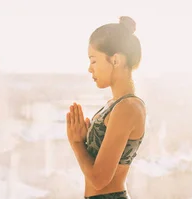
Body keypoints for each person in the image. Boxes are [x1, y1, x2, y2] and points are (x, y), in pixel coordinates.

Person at [66, 16, 146, 199]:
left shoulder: (128, 108)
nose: (89, 68)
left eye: (93, 60)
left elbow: (99, 180)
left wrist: (77, 143)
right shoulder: (114, 105)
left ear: (115, 60)